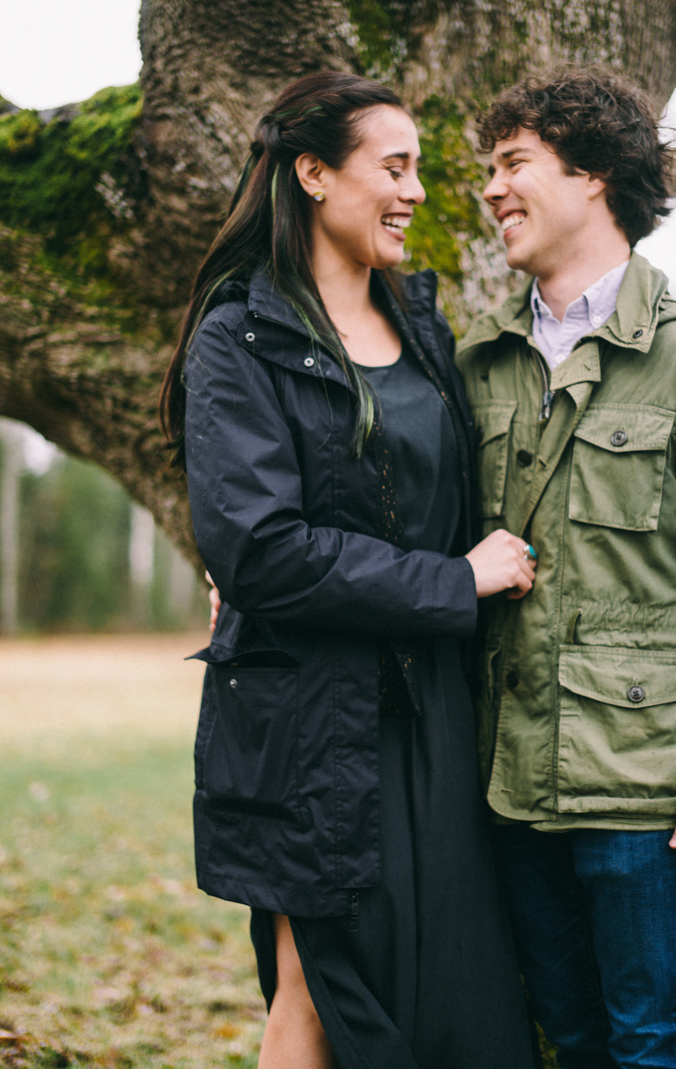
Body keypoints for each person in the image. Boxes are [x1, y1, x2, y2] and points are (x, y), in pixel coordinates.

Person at [160, 71, 539, 1069]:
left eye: (418, 168)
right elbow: (260, 551)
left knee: (453, 998)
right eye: (395, 166)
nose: (416, 190)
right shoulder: (239, 336)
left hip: (436, 717)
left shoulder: (420, 327)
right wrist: (452, 585)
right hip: (308, 725)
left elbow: (440, 499)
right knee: (323, 991)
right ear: (314, 174)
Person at [455, 66, 676, 1069]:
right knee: (564, 1035)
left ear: (594, 174)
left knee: (652, 1039)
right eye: (487, 168)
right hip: (507, 787)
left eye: (513, 163)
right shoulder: (480, 363)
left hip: (644, 797)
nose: (489, 189)